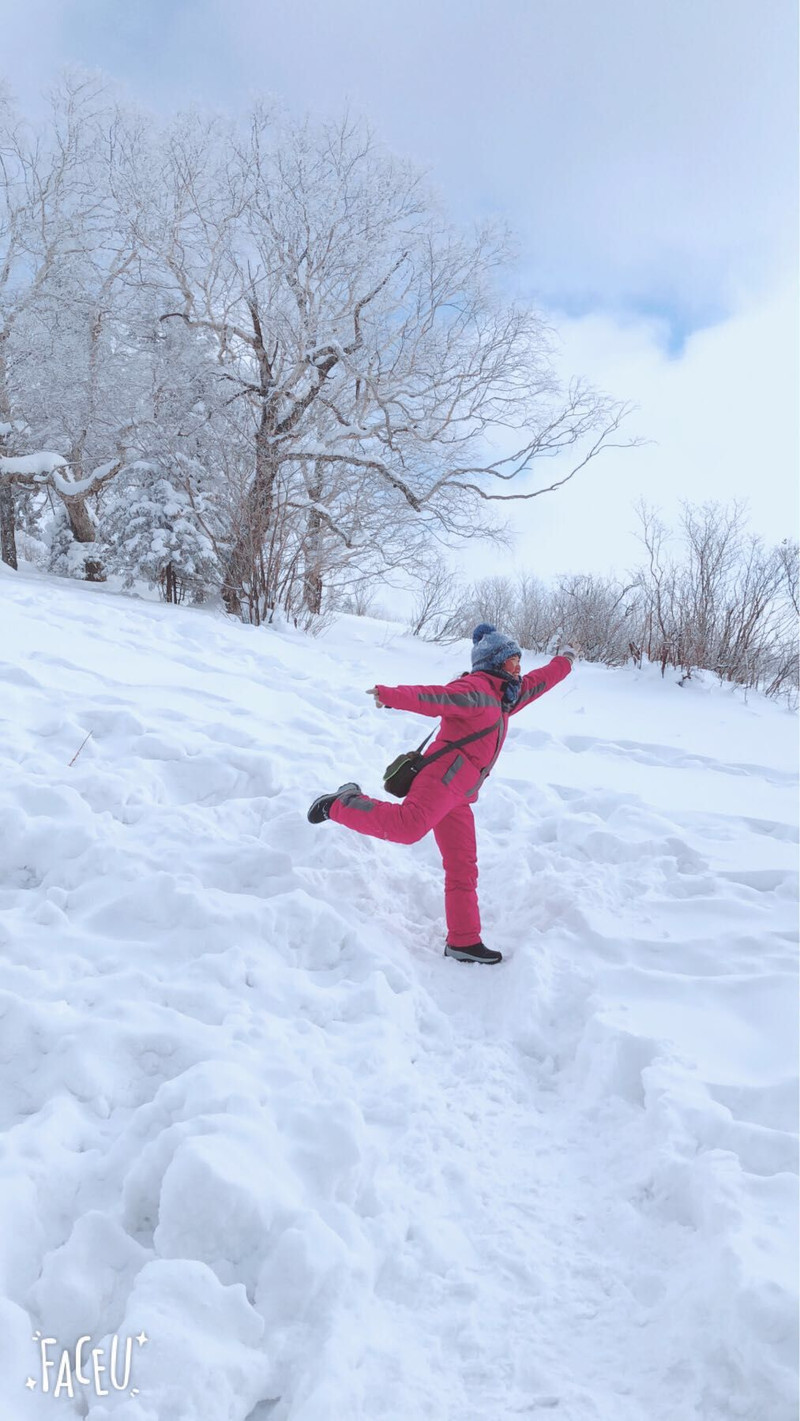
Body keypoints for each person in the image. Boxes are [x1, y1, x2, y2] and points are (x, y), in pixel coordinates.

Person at [307, 624, 576, 965]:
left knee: (463, 867)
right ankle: (341, 803)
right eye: (511, 662)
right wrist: (391, 695)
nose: (518, 668)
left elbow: (541, 680)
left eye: (519, 661)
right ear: (494, 663)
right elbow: (434, 696)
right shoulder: (476, 688)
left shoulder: (506, 697)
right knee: (407, 828)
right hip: (440, 780)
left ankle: (464, 941)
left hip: (461, 793)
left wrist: (565, 660)